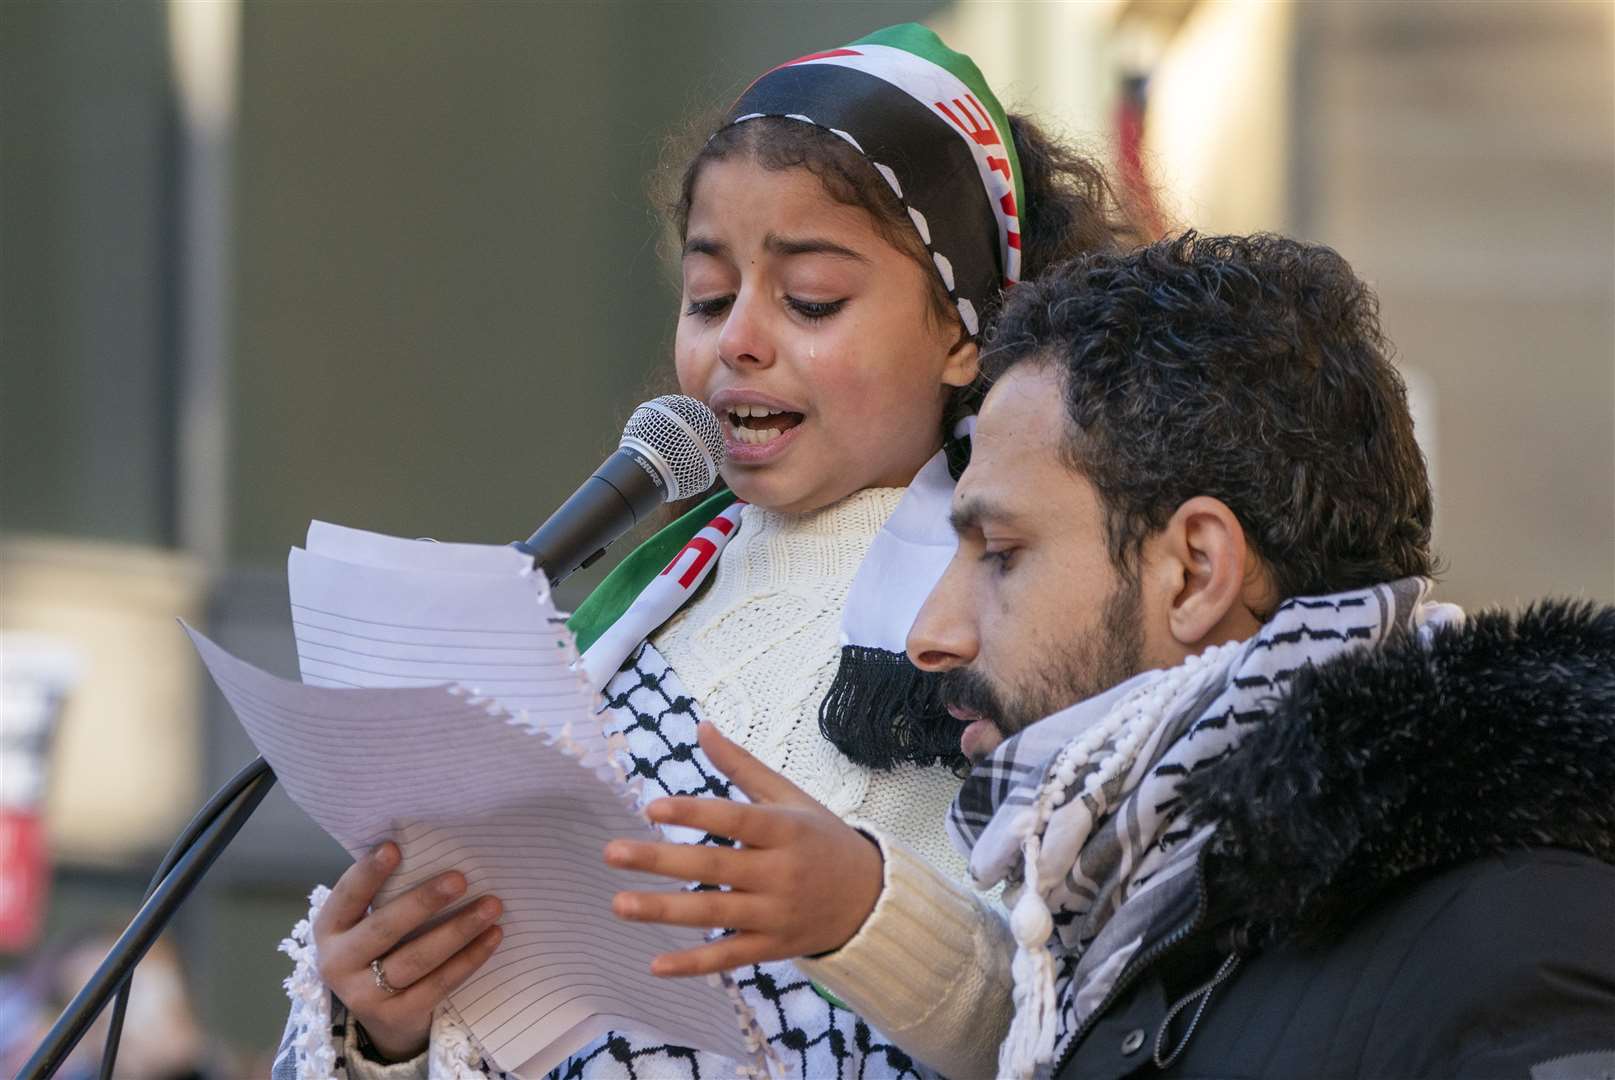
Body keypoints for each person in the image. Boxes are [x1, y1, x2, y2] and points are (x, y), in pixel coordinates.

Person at [272, 23, 1134, 1080]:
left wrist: (863, 914)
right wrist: (388, 1023)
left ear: (968, 331)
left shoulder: (1031, 603)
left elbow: (1079, 1008)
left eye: (810, 298)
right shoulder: (641, 611)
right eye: (709, 297)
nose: (739, 341)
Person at [615, 232, 1615, 1078]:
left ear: (1194, 571)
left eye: (1000, 554)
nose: (931, 634)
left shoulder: (1511, 941)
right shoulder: (1130, 939)